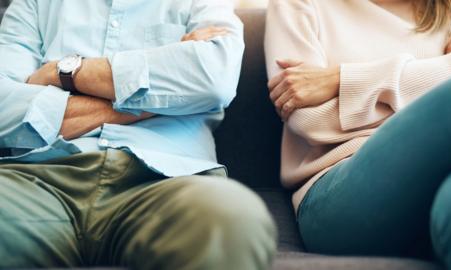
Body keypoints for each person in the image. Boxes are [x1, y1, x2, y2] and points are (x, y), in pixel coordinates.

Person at [0, 0, 277, 269]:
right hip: (37, 179)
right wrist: (164, 93)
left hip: (167, 181)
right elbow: (4, 107)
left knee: (232, 216)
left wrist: (62, 73)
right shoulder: (34, 4)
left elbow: (214, 79)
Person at [265, 0, 451, 269]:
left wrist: (342, 80)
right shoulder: (300, 4)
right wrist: (438, 71)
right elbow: (310, 120)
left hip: (446, 177)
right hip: (340, 193)